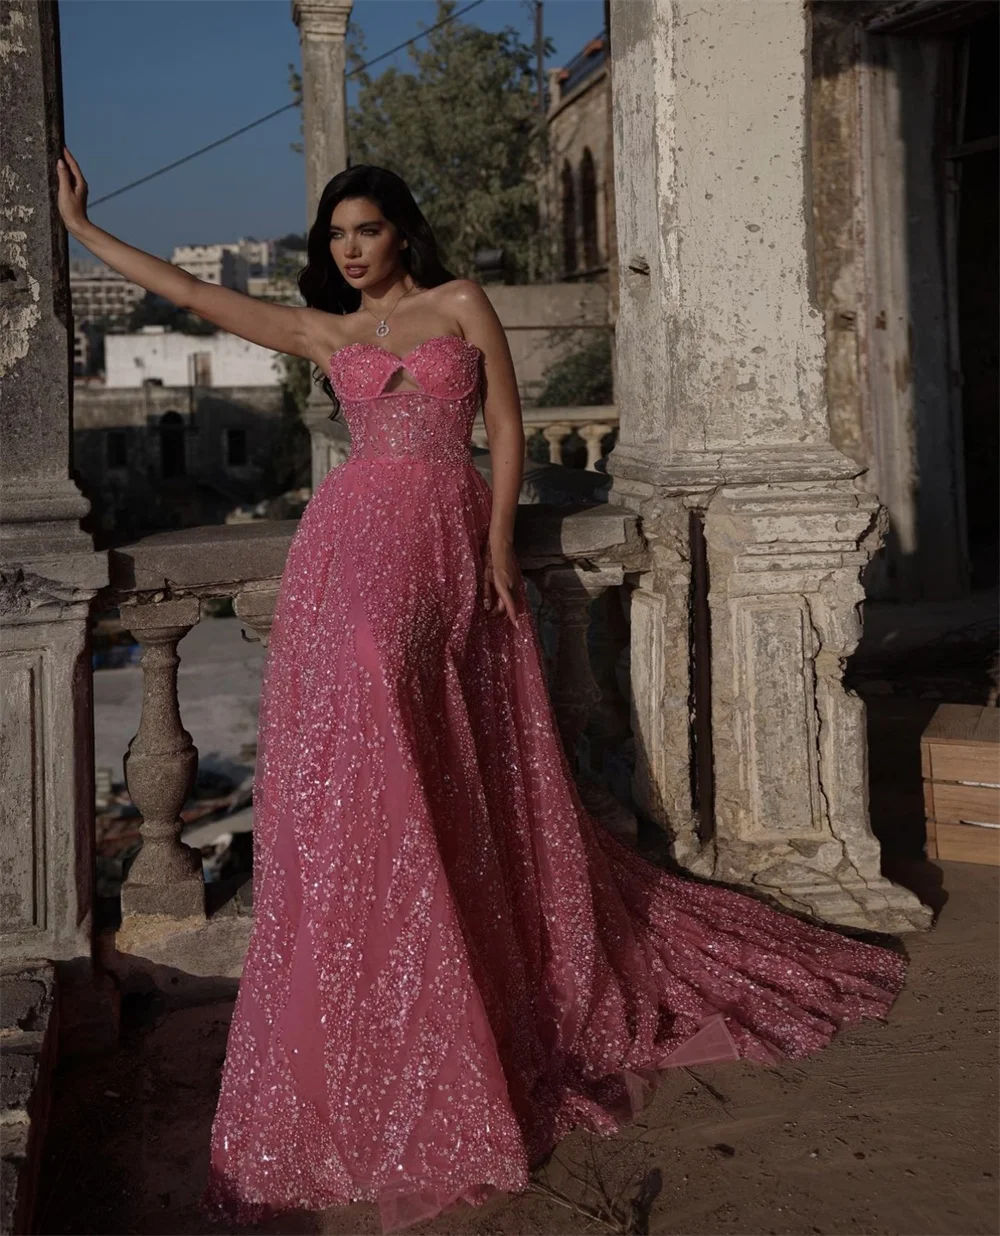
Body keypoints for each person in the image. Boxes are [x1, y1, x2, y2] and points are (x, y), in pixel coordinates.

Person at [57, 149, 907, 1234]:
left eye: (365, 230)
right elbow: (189, 292)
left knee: (441, 735)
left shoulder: (461, 305)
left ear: (402, 234)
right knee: (367, 711)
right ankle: (389, 974)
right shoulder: (325, 333)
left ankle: (451, 947)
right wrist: (86, 232)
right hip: (351, 548)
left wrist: (499, 543)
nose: (349, 250)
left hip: (447, 536)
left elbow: (504, 426)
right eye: (335, 237)